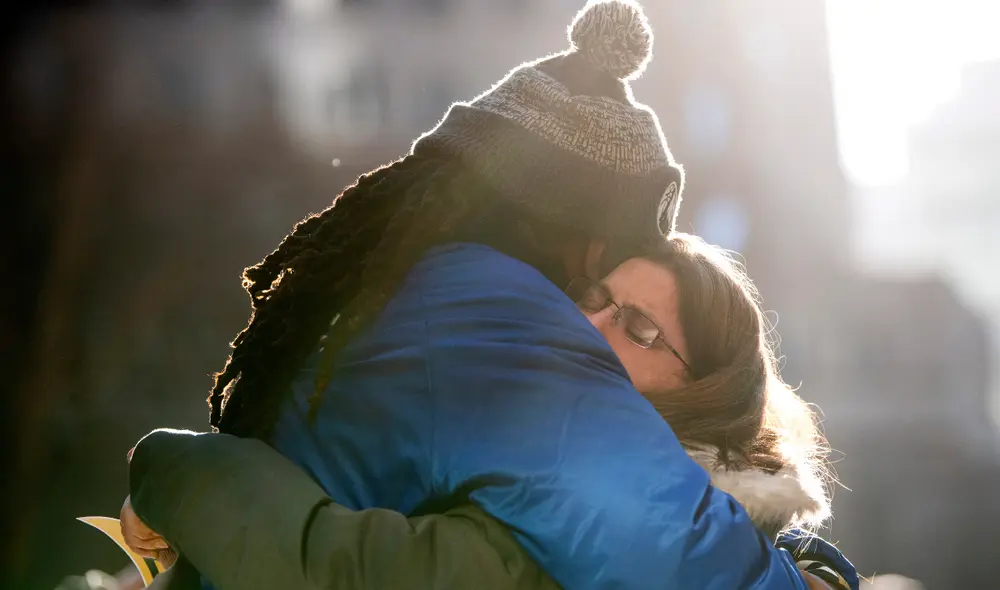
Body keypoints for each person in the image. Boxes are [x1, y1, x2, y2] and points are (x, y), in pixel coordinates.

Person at [120, 2, 855, 588]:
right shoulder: (488, 309)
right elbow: (642, 530)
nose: (585, 317)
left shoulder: (444, 294)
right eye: (595, 287)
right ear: (575, 220)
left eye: (635, 324)